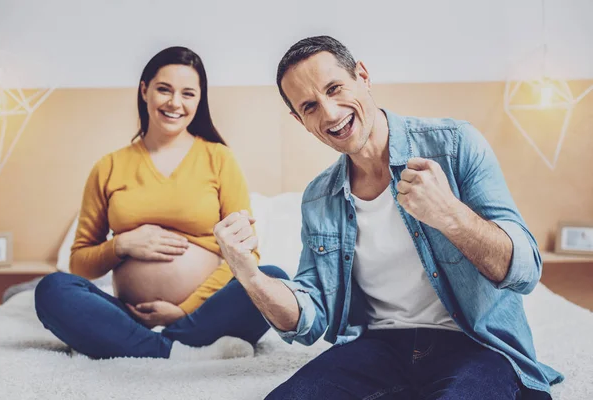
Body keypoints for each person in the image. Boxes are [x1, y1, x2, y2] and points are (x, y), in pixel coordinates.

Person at [213, 36, 562, 399]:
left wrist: (450, 215)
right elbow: (309, 321)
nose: (330, 113)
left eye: (335, 89)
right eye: (310, 107)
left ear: (362, 75)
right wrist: (250, 276)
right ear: (299, 120)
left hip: (477, 344)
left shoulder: (456, 145)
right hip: (381, 348)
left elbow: (525, 271)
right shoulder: (319, 198)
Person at [34, 46, 287, 360]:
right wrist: (122, 245)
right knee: (53, 289)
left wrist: (181, 311)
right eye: (164, 90)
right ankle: (172, 351)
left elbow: (245, 253)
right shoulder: (108, 167)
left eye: (188, 94)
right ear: (144, 91)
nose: (175, 103)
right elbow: (80, 265)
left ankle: (143, 346)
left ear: (199, 99)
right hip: (127, 315)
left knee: (274, 279)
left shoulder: (219, 158)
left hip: (203, 315)